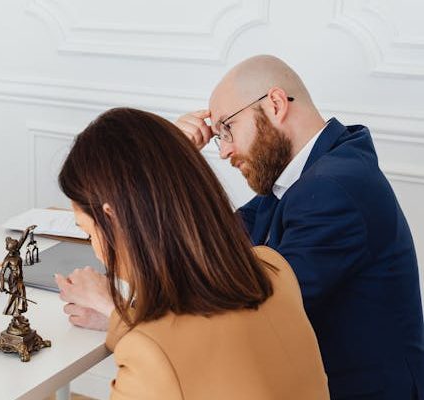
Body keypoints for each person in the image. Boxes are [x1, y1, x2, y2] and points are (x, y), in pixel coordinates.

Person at [171, 55, 423, 399]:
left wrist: (122, 314)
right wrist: (175, 157)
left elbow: (253, 314)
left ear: (275, 104)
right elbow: (217, 243)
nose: (224, 150)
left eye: (227, 128)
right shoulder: (303, 175)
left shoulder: (332, 188)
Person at [55, 107, 329, 399]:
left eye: (88, 232)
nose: (95, 250)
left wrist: (120, 317)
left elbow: (165, 354)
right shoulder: (272, 268)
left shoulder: (151, 355)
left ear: (112, 218)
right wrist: (116, 313)